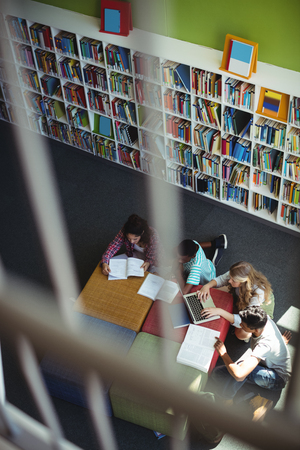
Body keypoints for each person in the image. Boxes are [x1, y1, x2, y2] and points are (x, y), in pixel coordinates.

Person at [211, 306, 292, 422]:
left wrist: (224, 353)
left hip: (276, 378)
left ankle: (226, 400)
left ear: (255, 330)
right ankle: (259, 398)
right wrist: (219, 311)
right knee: (217, 374)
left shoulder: (264, 345)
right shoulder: (262, 319)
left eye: (243, 326)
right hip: (267, 363)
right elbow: (240, 321)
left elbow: (240, 375)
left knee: (239, 369)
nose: (241, 327)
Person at [197, 261, 274, 340]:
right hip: (243, 298)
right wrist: (207, 286)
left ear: (243, 282)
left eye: (233, 280)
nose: (229, 281)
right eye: (230, 278)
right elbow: (221, 279)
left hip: (255, 311)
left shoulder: (258, 292)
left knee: (241, 335)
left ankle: (249, 327)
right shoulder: (236, 273)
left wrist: (219, 311)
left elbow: (246, 319)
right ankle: (234, 311)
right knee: (216, 292)